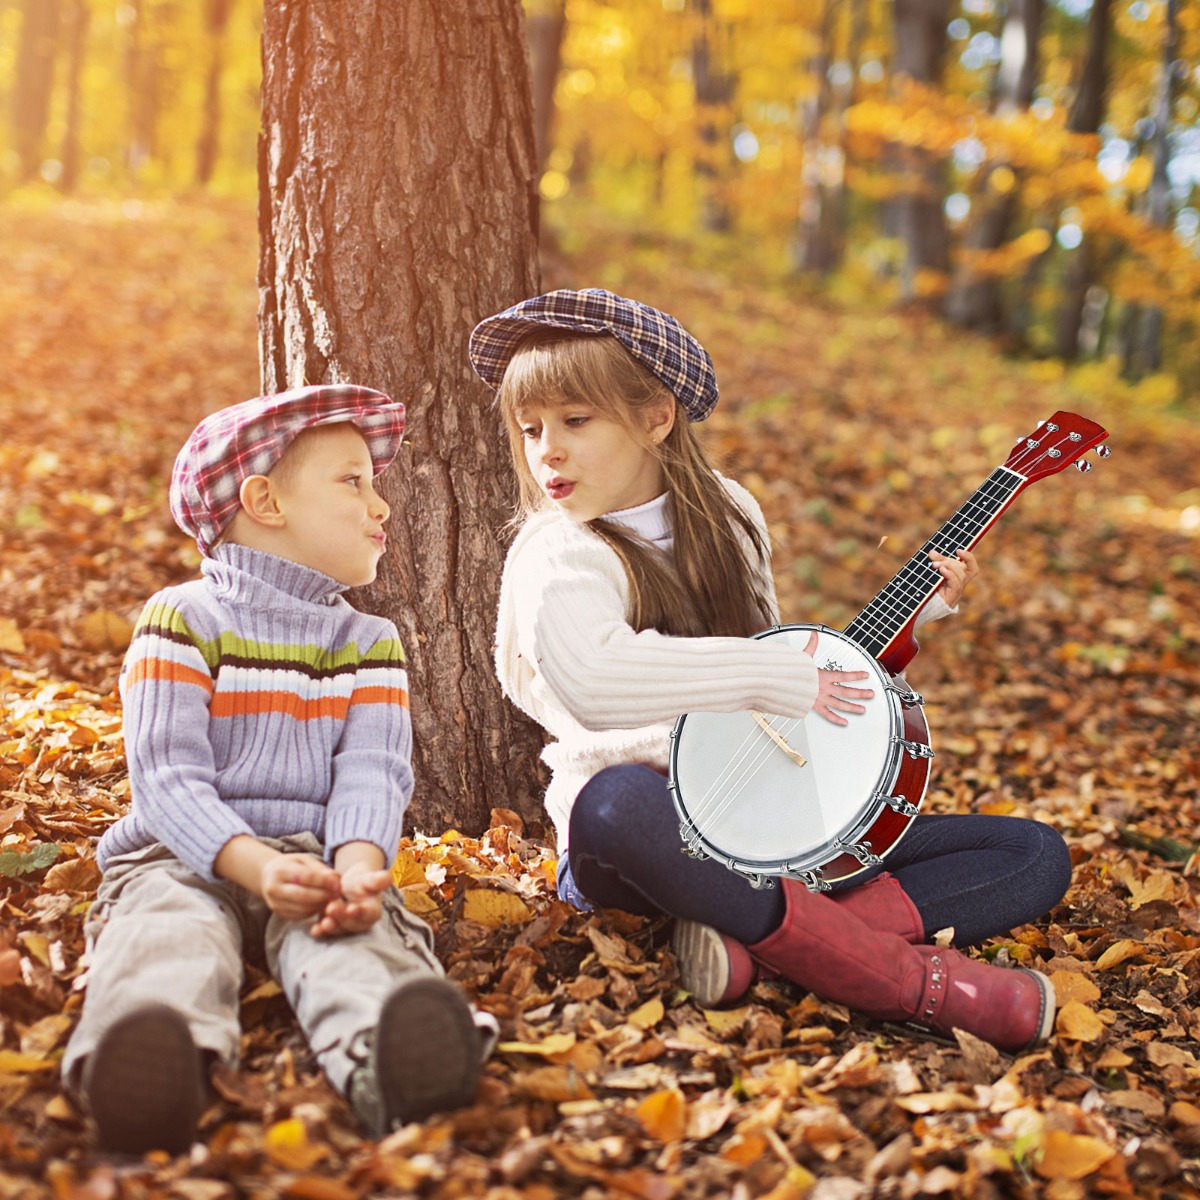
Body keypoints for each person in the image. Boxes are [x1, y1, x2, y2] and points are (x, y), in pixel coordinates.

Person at [468, 289, 1072, 1054]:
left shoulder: (729, 515)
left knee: (1033, 854)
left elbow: (786, 679)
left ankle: (757, 949)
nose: (546, 450)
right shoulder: (559, 551)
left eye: (575, 421)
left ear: (657, 417)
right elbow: (596, 679)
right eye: (531, 429)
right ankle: (904, 981)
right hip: (648, 847)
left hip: (765, 824)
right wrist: (767, 676)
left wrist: (912, 622)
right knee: (615, 801)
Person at [62, 385, 494, 1155]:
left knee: (353, 946)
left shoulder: (369, 641)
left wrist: (359, 870)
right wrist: (252, 868)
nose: (381, 505)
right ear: (264, 500)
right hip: (182, 857)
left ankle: (393, 1060)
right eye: (352, 480)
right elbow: (167, 782)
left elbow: (373, 772)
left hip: (313, 861)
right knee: (167, 930)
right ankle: (151, 1066)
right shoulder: (182, 619)